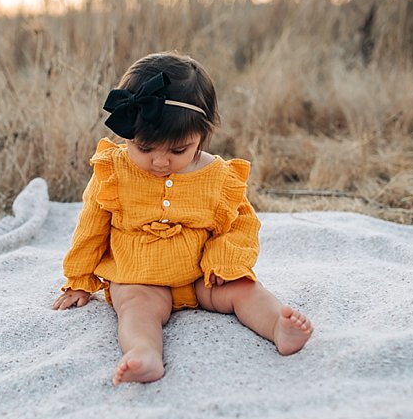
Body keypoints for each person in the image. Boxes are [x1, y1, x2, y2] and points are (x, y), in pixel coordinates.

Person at [52, 52, 313, 385]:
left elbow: (240, 225)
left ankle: (278, 325)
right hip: (138, 274)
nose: (160, 162)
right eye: (145, 148)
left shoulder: (218, 176)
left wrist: (223, 262)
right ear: (128, 132)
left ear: (202, 136)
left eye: (178, 151)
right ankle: (143, 353)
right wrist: (79, 279)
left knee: (244, 289)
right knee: (135, 308)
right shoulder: (113, 170)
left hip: (201, 276)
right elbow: (90, 227)